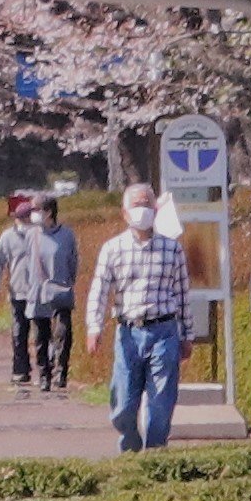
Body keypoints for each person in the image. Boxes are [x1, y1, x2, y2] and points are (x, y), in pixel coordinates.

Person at [87, 188, 194, 452]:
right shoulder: (112, 249)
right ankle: (130, 446)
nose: (142, 209)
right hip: (128, 333)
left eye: (147, 204)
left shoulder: (172, 249)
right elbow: (99, 290)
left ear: (156, 210)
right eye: (136, 205)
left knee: (161, 402)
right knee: (123, 404)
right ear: (124, 213)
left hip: (164, 331)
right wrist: (94, 326)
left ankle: (155, 454)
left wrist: (187, 335)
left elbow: (182, 294)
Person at [0, 193, 79, 394]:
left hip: (60, 290)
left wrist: (68, 281)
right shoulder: (32, 235)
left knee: (62, 334)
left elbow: (73, 262)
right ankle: (44, 375)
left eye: (36, 210)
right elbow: (26, 262)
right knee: (41, 337)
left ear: (49, 212)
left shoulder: (66, 235)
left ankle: (60, 372)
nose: (32, 214)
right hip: (37, 292)